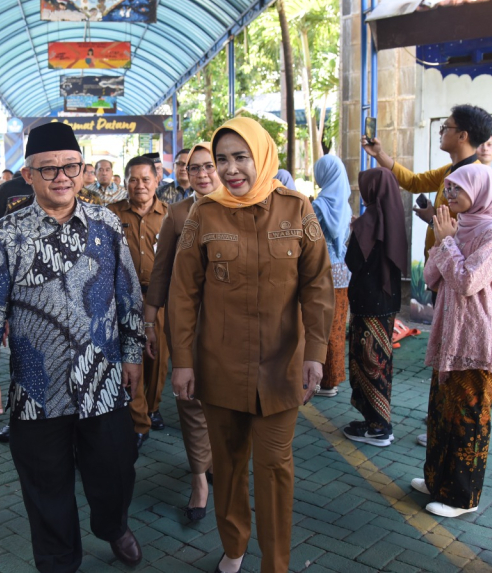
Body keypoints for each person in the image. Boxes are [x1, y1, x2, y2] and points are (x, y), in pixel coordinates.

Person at [0, 122, 145, 572]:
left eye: (70, 166)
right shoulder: (4, 234)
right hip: (37, 392)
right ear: (28, 175)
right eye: (47, 169)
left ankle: (113, 526)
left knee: (115, 470)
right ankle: (58, 561)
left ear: (85, 171)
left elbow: (128, 294)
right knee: (45, 487)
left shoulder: (107, 224)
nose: (61, 177)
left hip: (104, 381)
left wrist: (131, 355)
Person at [169, 116, 334, 573]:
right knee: (228, 463)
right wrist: (182, 360)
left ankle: (275, 563)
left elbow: (317, 287)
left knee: (275, 468)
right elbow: (183, 293)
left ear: (261, 155)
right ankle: (234, 546)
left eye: (240, 157)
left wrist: (316, 355)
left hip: (281, 369)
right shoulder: (204, 214)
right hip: (219, 368)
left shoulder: (297, 209)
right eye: (222, 160)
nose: (230, 169)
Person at [411, 164, 492, 518]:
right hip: (448, 334)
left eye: (457, 189)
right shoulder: (459, 226)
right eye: (448, 189)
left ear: (481, 189)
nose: (449, 196)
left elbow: (468, 281)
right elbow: (431, 277)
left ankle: (462, 497)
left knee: (467, 419)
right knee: (441, 413)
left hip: (474, 339)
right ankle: (436, 480)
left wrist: (446, 242)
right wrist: (444, 240)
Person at [144, 142, 219, 521]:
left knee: (221, 402)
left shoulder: (240, 208)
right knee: (189, 401)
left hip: (231, 328)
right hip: (185, 323)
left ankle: (217, 463)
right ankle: (199, 481)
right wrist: (150, 320)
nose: (202, 174)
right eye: (193, 167)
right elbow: (161, 271)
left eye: (209, 166)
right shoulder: (177, 213)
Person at [362, 104, 492, 279]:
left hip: (456, 273)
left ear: (462, 136)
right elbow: (414, 182)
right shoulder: (450, 170)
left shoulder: (476, 177)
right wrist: (379, 154)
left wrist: (433, 221)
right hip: (440, 267)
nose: (440, 133)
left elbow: (471, 234)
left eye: (445, 128)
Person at [342, 168, 410, 447]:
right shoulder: (394, 219)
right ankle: (376, 421)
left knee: (368, 363)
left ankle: (379, 427)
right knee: (381, 363)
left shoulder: (368, 221)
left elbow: (353, 261)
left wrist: (354, 233)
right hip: (386, 303)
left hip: (367, 304)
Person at [108, 157, 169, 450]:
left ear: (157, 180)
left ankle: (152, 407)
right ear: (125, 182)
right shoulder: (109, 214)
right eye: (134, 179)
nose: (140, 185)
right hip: (121, 299)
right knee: (129, 358)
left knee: (156, 358)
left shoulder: (170, 216)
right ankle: (138, 419)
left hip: (158, 300)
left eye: (146, 179)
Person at [312, 154, 353, 397]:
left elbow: (311, 239)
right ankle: (333, 379)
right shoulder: (345, 205)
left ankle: (325, 382)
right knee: (337, 326)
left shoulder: (319, 205)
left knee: (320, 326)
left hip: (321, 272)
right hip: (342, 272)